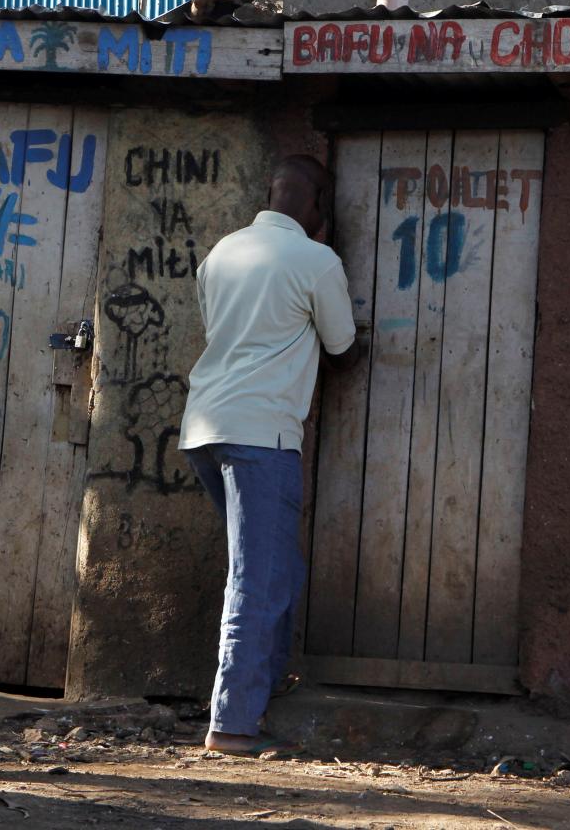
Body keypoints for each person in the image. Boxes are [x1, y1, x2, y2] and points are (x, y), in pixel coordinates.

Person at [178, 154, 362, 756]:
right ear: (319, 205)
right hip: (263, 436)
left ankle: (265, 685)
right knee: (256, 579)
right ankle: (231, 725)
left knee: (275, 568)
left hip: (206, 426)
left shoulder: (221, 253)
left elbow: (226, 337)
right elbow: (342, 349)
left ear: (270, 194)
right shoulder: (315, 259)